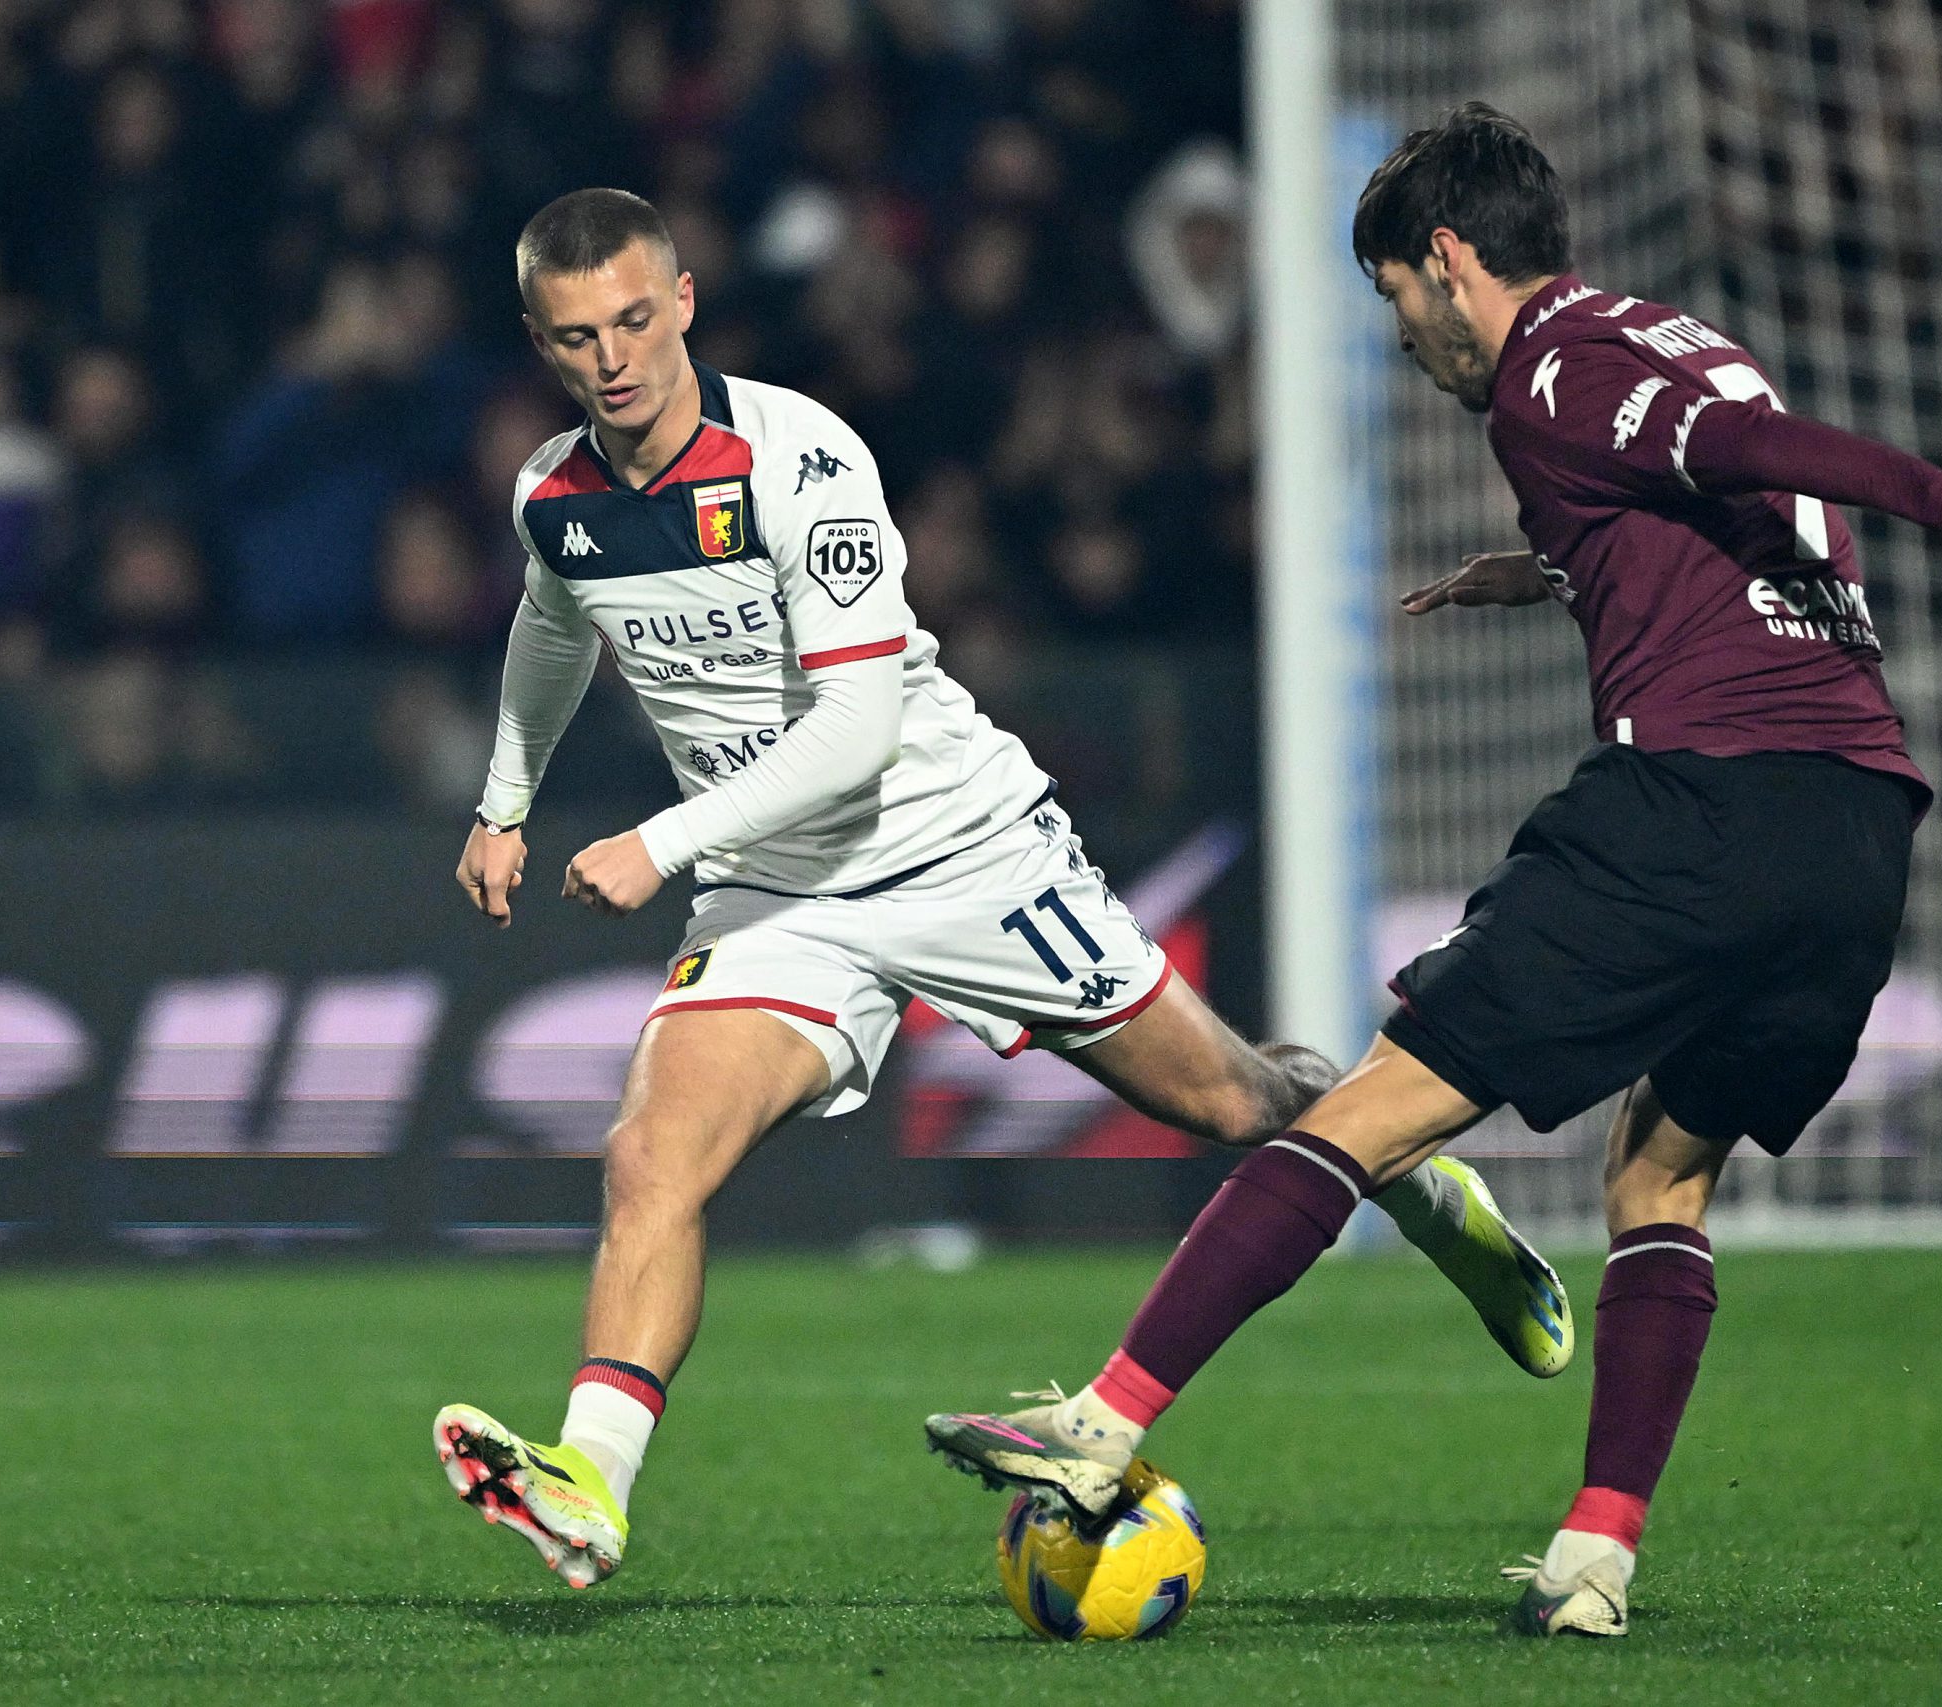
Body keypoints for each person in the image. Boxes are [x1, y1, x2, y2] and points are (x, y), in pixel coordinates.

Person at [922, 104, 1942, 1639]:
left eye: (1396, 297)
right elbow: (1728, 495)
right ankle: (1594, 1564)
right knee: (1661, 1175)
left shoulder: (1550, 368)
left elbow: (1751, 453)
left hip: (1700, 804)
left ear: (1449, 258)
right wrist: (1553, 569)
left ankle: (1107, 1421)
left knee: (1363, 1112)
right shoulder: (1670, 333)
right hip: (1857, 826)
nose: (1407, 337)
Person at [428, 188, 1574, 1590]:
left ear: (679, 303)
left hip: (956, 845)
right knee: (651, 1156)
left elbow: (852, 739)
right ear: (542, 348)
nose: (609, 359)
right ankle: (588, 1486)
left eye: (627, 321)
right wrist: (505, 803)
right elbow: (554, 622)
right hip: (776, 894)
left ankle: (1419, 1189)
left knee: (1231, 1104)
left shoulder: (797, 461)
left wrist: (657, 843)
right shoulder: (554, 493)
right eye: (571, 340)